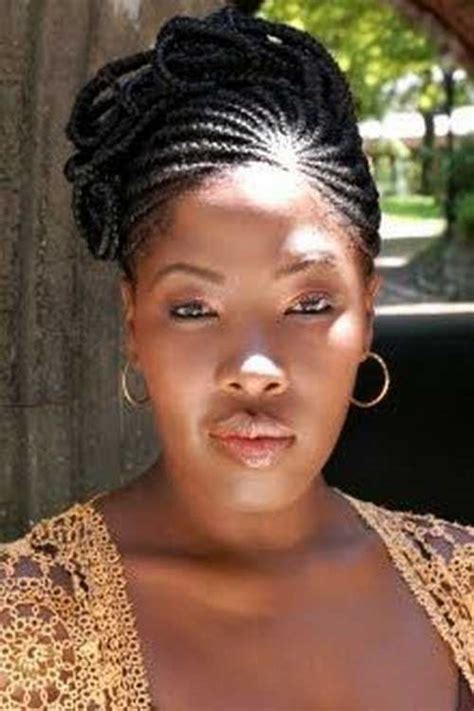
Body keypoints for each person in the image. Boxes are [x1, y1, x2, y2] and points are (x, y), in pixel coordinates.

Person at [0, 7, 472, 709]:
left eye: (308, 304)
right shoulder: (21, 627)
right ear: (134, 323)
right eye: (194, 308)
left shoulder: (464, 582)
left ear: (367, 315)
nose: (254, 366)